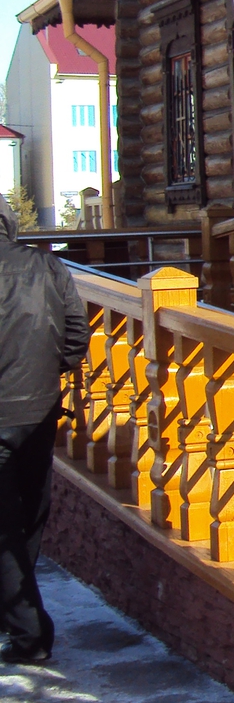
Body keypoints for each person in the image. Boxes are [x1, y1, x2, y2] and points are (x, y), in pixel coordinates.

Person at [0, 193, 90, 664]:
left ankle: (28, 632)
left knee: (5, 526)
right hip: (38, 409)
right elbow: (77, 330)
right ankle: (17, 613)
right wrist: (50, 373)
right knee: (30, 512)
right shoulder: (45, 266)